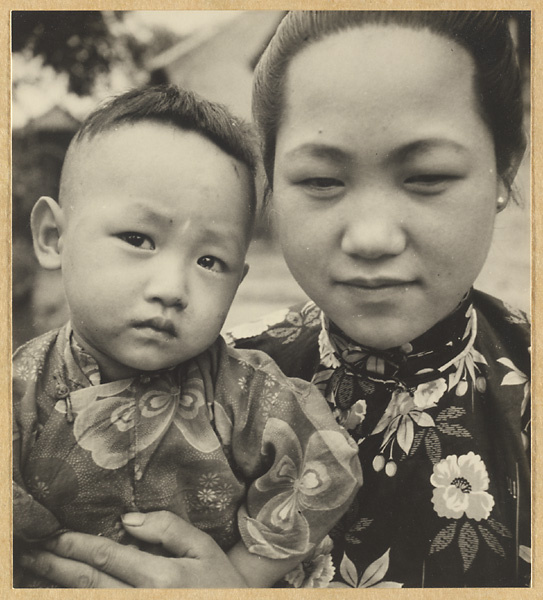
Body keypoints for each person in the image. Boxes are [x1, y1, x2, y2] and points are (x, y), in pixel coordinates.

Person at [18, 10, 531, 588]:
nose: (370, 237)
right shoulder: (195, 367)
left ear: (503, 172)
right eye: (320, 181)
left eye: (427, 176)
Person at [12, 84, 362, 588]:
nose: (173, 289)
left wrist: (238, 579)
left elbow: (327, 470)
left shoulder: (249, 396)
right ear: (53, 237)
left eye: (209, 262)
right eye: (138, 239)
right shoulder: (21, 389)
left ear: (237, 282)